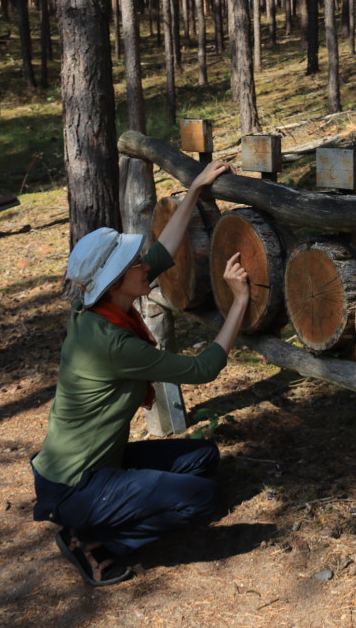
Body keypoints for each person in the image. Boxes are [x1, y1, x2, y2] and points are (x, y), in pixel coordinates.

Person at [31, 160, 250, 587]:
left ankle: (101, 518)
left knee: (203, 458)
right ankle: (96, 545)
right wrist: (238, 301)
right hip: (75, 485)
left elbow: (162, 252)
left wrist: (195, 188)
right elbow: (204, 368)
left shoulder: (94, 307)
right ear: (114, 282)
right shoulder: (115, 345)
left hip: (92, 466)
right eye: (134, 264)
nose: (143, 265)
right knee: (202, 499)